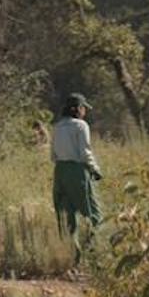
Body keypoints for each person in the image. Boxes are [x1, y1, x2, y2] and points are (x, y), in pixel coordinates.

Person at [51, 93, 103, 262]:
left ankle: (74, 258)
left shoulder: (57, 127)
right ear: (77, 109)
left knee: (67, 216)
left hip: (59, 171)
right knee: (94, 214)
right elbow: (85, 153)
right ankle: (92, 252)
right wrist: (95, 169)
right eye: (83, 108)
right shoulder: (81, 126)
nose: (84, 111)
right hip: (76, 170)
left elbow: (52, 155)